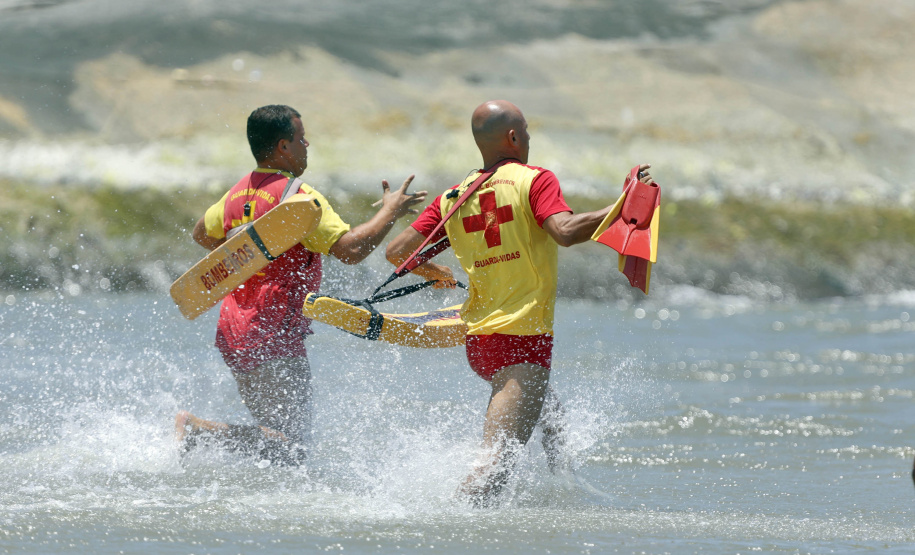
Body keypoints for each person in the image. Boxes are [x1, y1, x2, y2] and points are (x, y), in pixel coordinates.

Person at [386, 99, 655, 504]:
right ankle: (452, 525)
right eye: (526, 131)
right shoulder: (534, 180)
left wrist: (436, 272)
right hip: (520, 339)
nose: (528, 137)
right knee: (496, 467)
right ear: (513, 137)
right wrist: (621, 208)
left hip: (480, 342)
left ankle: (564, 492)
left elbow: (397, 253)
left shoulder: (453, 197)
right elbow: (565, 231)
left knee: (552, 419)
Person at [175, 104, 426, 465]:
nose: (307, 145)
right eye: (301, 138)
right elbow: (351, 250)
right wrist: (390, 212)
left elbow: (202, 233)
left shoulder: (237, 193)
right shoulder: (299, 198)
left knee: (280, 444)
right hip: (274, 330)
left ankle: (206, 441)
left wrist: (250, 261)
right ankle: (199, 432)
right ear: (283, 146)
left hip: (234, 328)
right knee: (293, 447)